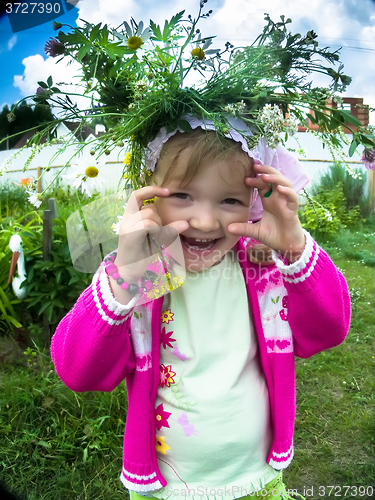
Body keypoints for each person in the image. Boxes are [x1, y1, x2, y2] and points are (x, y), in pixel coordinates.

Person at [51, 117, 351, 500]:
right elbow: (80, 371)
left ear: (254, 202)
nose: (205, 220)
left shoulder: (260, 267)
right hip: (167, 489)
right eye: (182, 196)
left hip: (258, 479)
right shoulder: (144, 275)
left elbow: (328, 331)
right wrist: (124, 276)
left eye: (230, 200)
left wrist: (293, 246)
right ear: (148, 195)